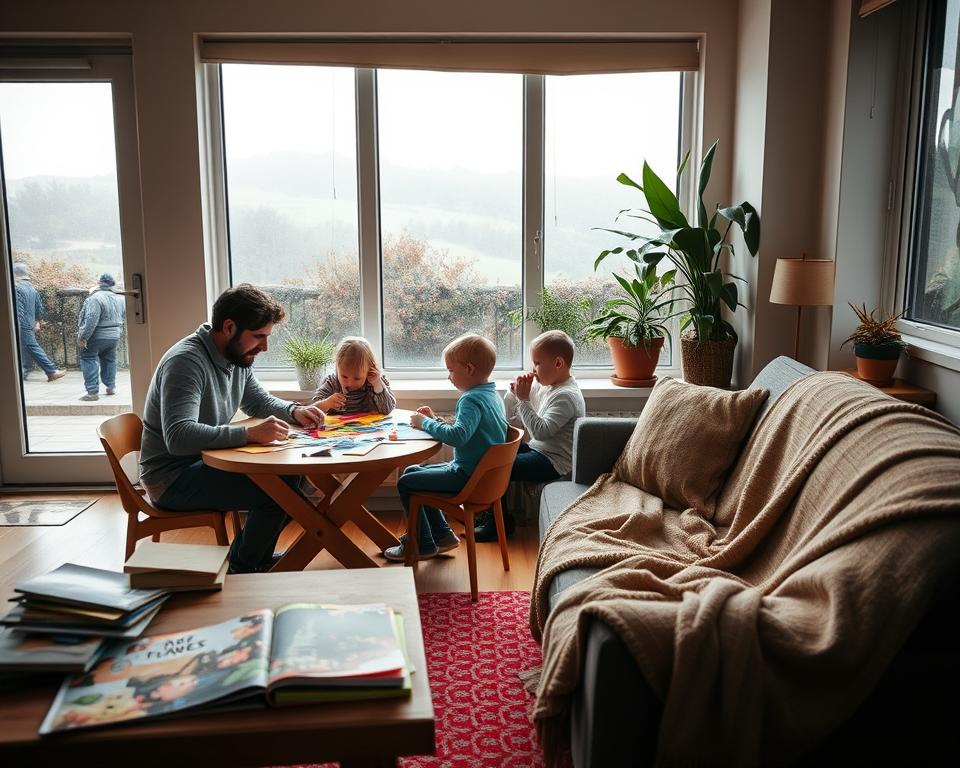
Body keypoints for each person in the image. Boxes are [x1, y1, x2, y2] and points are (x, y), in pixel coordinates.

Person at [139, 284, 325, 574]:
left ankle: (254, 560)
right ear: (229, 327)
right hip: (171, 478)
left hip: (203, 463)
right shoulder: (186, 363)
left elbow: (256, 400)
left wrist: (294, 411)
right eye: (259, 337)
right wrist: (248, 434)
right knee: (281, 489)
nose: (264, 347)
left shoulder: (237, 356)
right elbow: (178, 437)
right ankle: (243, 567)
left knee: (291, 478)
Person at [383, 333, 507, 562]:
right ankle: (442, 536)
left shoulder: (470, 399)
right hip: (485, 478)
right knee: (411, 471)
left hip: (468, 478)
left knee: (406, 482)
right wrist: (436, 420)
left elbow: (458, 437)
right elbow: (469, 431)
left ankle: (421, 544)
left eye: (451, 370)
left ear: (469, 369)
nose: (449, 377)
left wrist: (425, 423)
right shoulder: (492, 395)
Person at [475, 330, 586, 542]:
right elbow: (509, 417)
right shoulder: (546, 384)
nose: (533, 370)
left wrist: (524, 400)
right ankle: (489, 513)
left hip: (555, 461)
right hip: (539, 449)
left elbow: (541, 432)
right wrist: (514, 393)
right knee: (492, 451)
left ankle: (499, 523)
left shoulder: (566, 396)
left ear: (558, 364)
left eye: (537, 363)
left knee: (498, 466)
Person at [312, 336, 396, 415]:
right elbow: (312, 409)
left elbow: (388, 410)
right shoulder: (332, 383)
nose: (350, 383)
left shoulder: (376, 381)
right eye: (344, 376)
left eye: (357, 378)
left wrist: (377, 384)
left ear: (370, 369)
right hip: (338, 429)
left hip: (369, 429)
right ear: (337, 367)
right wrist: (327, 403)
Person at [77, 273, 126, 401]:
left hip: (97, 335)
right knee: (109, 359)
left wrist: (83, 337)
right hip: (114, 336)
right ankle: (111, 387)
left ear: (99, 283)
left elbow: (91, 320)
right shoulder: (120, 298)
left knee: (88, 358)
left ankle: (92, 392)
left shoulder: (95, 298)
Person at [12, 262, 65, 382]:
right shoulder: (32, 289)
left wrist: (16, 325)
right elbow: (39, 308)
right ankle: (24, 372)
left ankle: (51, 371)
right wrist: (38, 321)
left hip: (22, 325)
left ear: (15, 274)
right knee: (25, 348)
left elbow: (18, 310)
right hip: (29, 324)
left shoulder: (17, 288)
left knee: (31, 346)